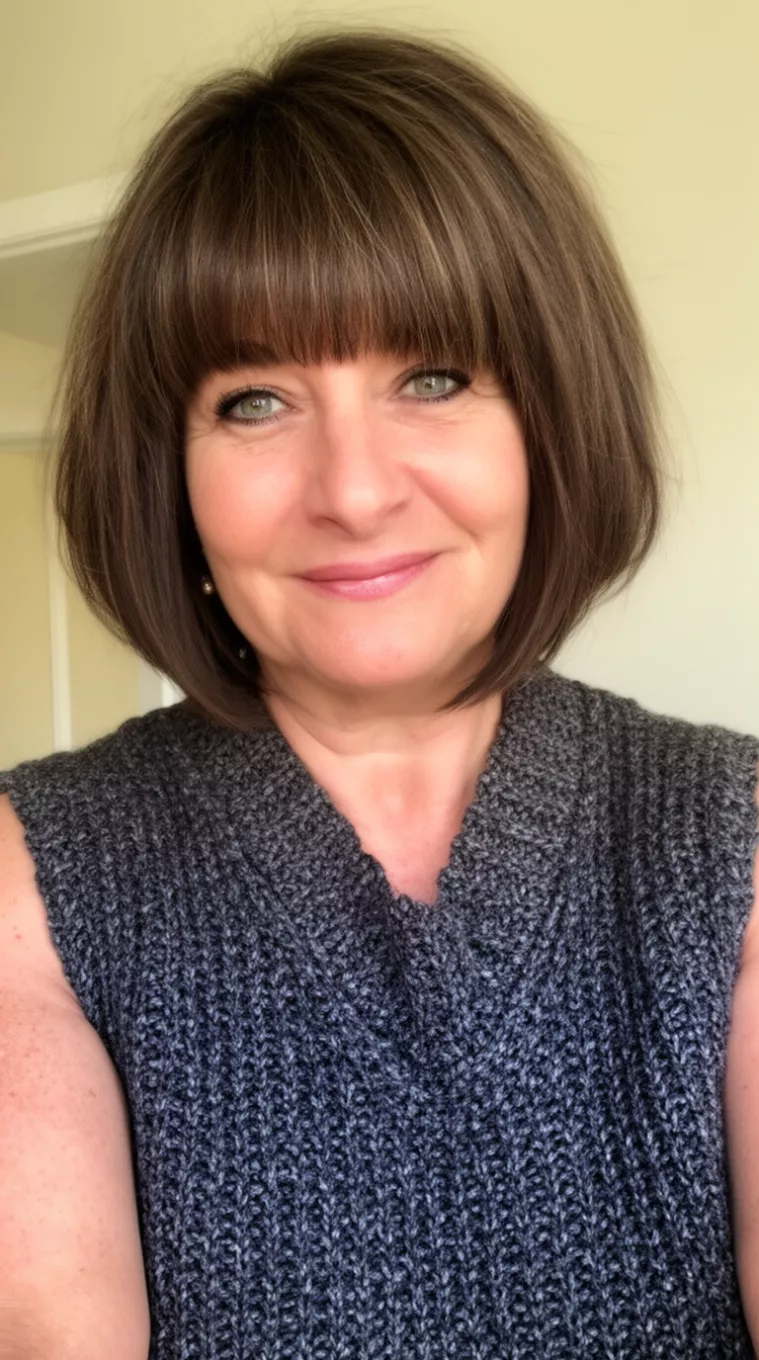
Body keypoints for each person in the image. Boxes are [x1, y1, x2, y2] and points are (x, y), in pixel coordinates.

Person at [0, 27, 757, 1360]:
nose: (351, 490)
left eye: (433, 376)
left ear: (552, 421)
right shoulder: (33, 876)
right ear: (164, 467)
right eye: (252, 401)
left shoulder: (730, 835)